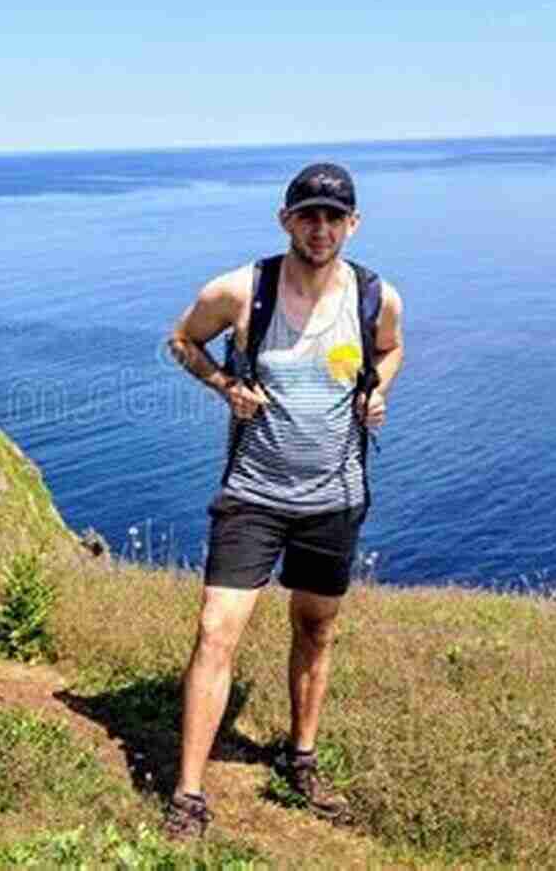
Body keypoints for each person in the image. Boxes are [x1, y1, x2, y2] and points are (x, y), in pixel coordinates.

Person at [162, 162, 405, 839]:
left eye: (334, 216)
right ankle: (187, 793)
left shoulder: (375, 297)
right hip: (252, 494)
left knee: (316, 627)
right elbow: (181, 339)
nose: (320, 228)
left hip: (335, 495)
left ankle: (301, 757)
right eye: (309, 214)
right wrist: (222, 384)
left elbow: (391, 349)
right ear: (285, 220)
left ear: (352, 224)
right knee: (215, 630)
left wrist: (376, 388)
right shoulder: (241, 291)